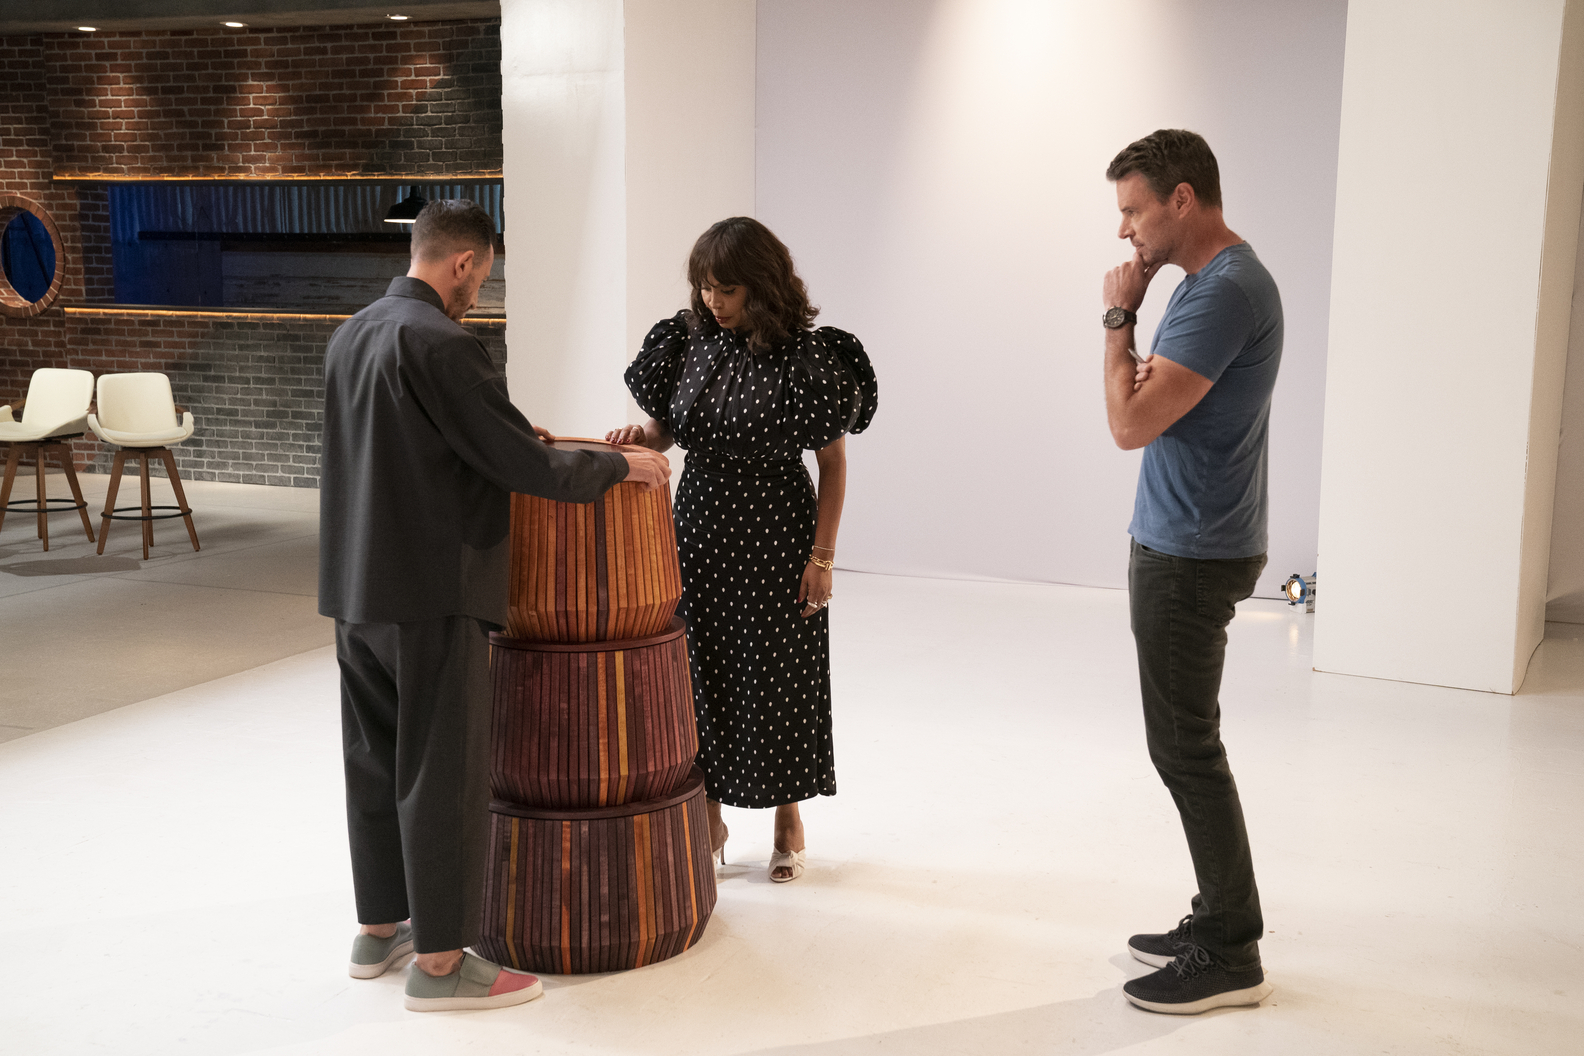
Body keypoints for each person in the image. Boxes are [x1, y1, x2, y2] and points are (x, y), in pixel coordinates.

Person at [319, 199, 670, 1012]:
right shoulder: (445, 343)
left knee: (373, 761)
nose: (478, 290)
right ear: (464, 262)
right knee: (441, 772)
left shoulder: (352, 335)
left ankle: (380, 929)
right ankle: (441, 965)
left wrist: (507, 432)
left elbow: (410, 446)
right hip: (431, 592)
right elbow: (520, 465)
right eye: (481, 275)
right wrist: (620, 467)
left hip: (355, 589)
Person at [606, 216, 877, 882]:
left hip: (777, 530)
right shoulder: (690, 341)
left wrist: (822, 558)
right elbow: (667, 431)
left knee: (779, 672)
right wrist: (638, 439)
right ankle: (711, 813)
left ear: (761, 284)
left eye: (726, 289)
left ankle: (788, 815)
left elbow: (833, 465)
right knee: (702, 671)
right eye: (704, 287)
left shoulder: (808, 358)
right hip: (700, 530)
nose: (712, 301)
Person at [1099, 130, 1282, 1014]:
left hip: (1192, 550)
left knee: (1186, 749)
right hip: (1189, 538)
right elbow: (1145, 404)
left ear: (1182, 199)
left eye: (1133, 210)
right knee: (1185, 743)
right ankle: (1217, 916)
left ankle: (1231, 952)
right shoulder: (1209, 286)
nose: (1124, 231)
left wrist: (1116, 319)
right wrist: (1137, 369)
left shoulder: (1223, 293)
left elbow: (1129, 423)